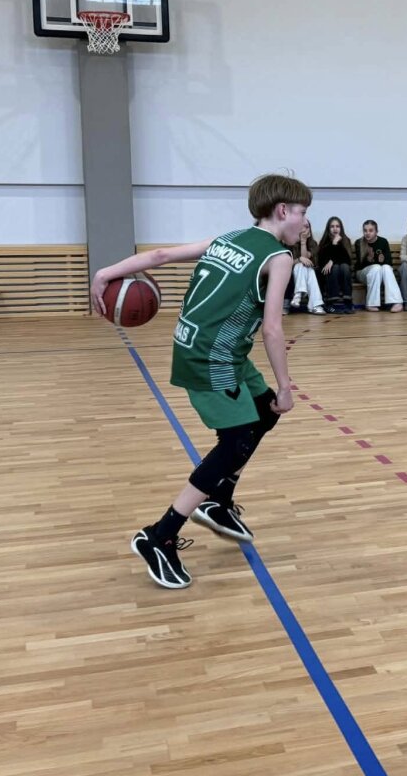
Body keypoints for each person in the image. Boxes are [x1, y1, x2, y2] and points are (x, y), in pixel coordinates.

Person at [90, 173, 309, 589]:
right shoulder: (279, 257)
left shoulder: (228, 238)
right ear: (283, 211)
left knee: (263, 413)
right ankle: (160, 536)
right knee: (236, 442)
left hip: (209, 347)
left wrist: (106, 272)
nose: (305, 222)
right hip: (212, 356)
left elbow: (160, 255)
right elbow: (272, 329)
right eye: (302, 213)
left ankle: (218, 501)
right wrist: (285, 386)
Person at [354, 220, 403, 312]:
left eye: (371, 230)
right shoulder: (359, 242)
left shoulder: (383, 241)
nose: (367, 233)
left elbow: (389, 263)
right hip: (362, 273)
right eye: (365, 230)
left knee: (386, 268)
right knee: (376, 267)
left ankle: (396, 302)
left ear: (376, 231)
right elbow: (360, 265)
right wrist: (369, 260)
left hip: (380, 272)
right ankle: (371, 304)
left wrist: (380, 261)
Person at [318, 216, 355, 314]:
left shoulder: (346, 240)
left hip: (344, 272)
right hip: (327, 273)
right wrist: (333, 244)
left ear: (341, 228)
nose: (335, 229)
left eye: (337, 226)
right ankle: (331, 303)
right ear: (328, 228)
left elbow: (346, 259)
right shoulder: (324, 242)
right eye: (332, 226)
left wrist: (332, 260)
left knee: (344, 266)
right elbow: (323, 261)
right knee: (334, 268)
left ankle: (348, 302)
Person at [291, 218, 326, 314]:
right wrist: (299, 259)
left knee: (306, 268)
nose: (305, 229)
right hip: (291, 273)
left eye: (307, 227)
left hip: (308, 272)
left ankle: (298, 295)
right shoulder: (289, 242)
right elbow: (286, 263)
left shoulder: (313, 244)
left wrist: (303, 242)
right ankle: (315, 305)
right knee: (300, 265)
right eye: (301, 226)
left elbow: (306, 259)